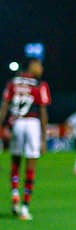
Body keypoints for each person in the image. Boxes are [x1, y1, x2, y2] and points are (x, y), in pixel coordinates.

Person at [0, 58, 52, 220]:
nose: (41, 69)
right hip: (32, 123)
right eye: (40, 66)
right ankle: (25, 207)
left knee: (15, 163)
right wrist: (43, 138)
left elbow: (4, 106)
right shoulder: (39, 84)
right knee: (30, 167)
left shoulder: (13, 82)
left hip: (16, 123)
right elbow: (43, 112)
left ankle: (15, 193)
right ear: (33, 67)